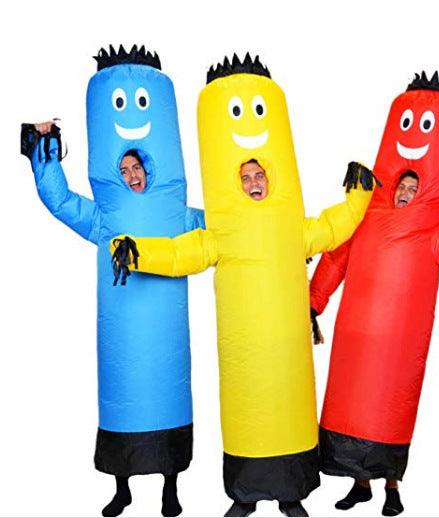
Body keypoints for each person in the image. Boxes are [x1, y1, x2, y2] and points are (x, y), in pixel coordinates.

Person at [110, 53, 377, 518]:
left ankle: (292, 494)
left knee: (287, 408)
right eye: (245, 176)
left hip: (287, 354)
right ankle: (245, 495)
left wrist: (360, 194)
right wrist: (137, 251)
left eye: (259, 174)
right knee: (249, 411)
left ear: (271, 176)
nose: (253, 181)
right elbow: (181, 253)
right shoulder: (223, 231)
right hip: (245, 357)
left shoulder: (292, 227)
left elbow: (332, 228)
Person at [23, 45, 204, 518]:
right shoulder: (105, 216)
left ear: (149, 166)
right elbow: (61, 201)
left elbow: (223, 226)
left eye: (136, 167)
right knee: (123, 397)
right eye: (122, 170)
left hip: (165, 332)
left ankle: (170, 489)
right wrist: (45, 149)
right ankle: (123, 489)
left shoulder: (177, 213)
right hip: (122, 333)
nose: (131, 174)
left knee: (168, 394)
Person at [309, 73, 439, 517]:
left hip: (397, 343)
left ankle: (391, 488)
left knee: (389, 406)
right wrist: (313, 302)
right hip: (356, 335)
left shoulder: (435, 233)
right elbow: (336, 257)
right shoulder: (367, 218)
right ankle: (360, 486)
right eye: (403, 187)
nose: (407, 192)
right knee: (353, 404)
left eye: (414, 187)